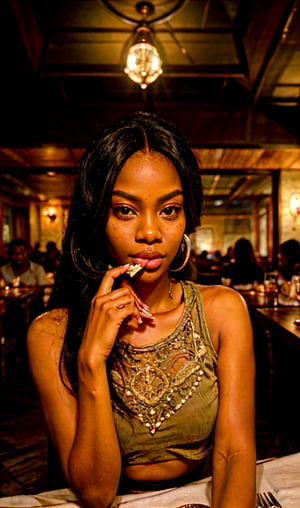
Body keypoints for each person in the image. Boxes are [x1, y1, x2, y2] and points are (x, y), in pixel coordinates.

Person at [27, 112, 256, 508]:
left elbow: (235, 454)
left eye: (168, 210)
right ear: (97, 216)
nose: (150, 232)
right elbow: (96, 493)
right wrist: (90, 361)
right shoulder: (50, 333)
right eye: (125, 210)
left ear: (187, 218)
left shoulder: (223, 311)